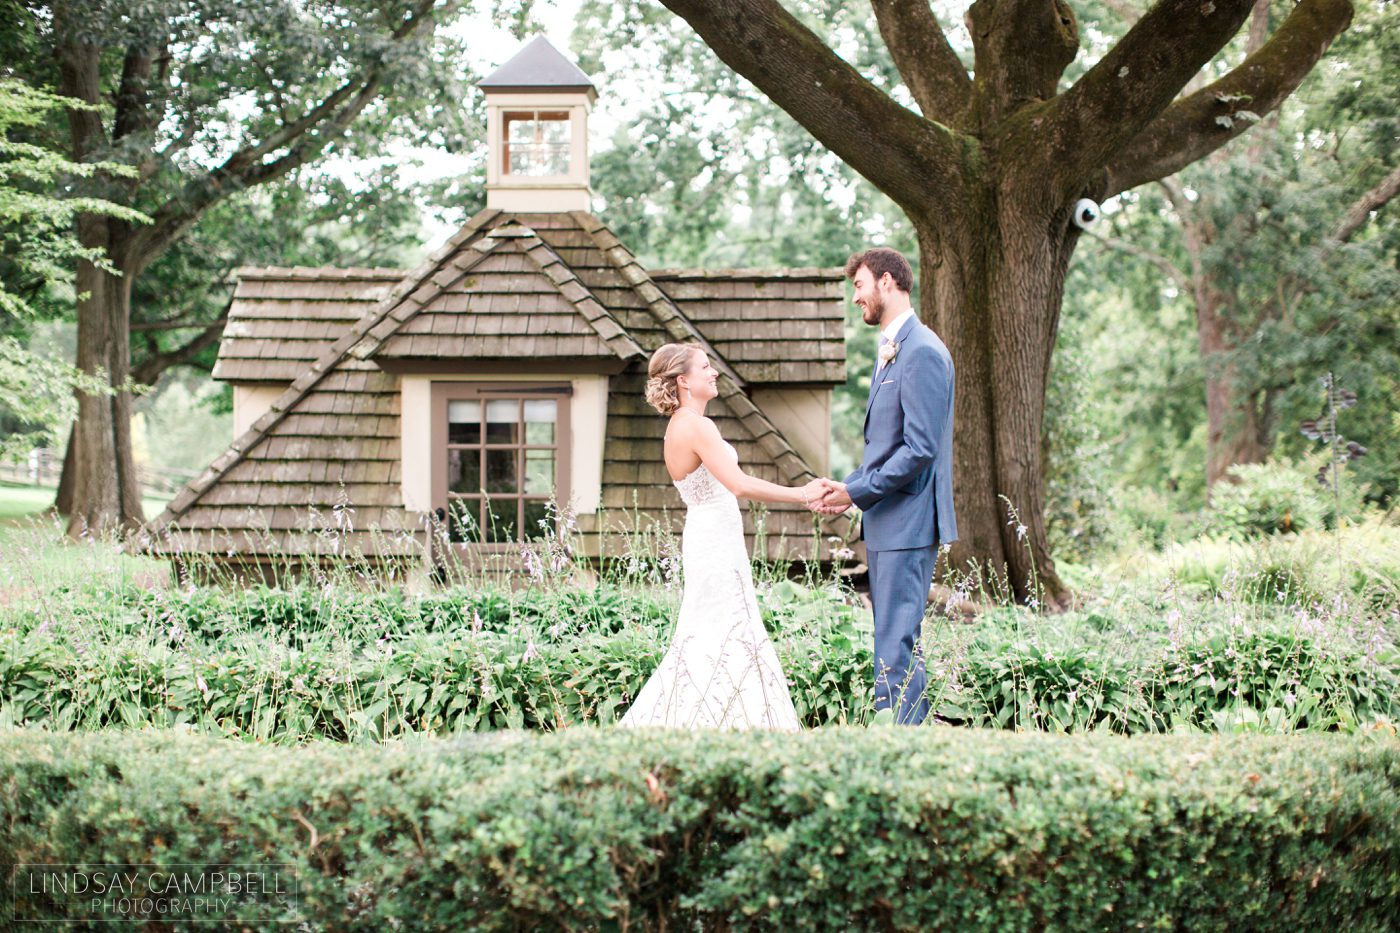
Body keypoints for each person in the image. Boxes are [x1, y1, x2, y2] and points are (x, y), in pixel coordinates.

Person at [618, 343, 832, 731]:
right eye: (705, 366)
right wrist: (803, 493)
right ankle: (734, 722)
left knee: (715, 630)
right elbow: (738, 483)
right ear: (683, 381)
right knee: (725, 630)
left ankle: (718, 719)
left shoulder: (680, 426)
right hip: (714, 543)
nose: (713, 372)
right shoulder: (696, 425)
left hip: (711, 538)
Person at [813, 247, 957, 725]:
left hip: (909, 521)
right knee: (889, 638)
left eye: (859, 285)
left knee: (895, 638)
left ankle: (902, 742)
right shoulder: (895, 348)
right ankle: (901, 736)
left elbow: (919, 450)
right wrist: (848, 486)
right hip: (887, 519)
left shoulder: (922, 352)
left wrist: (857, 493)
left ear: (888, 282)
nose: (856, 297)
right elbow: (887, 445)